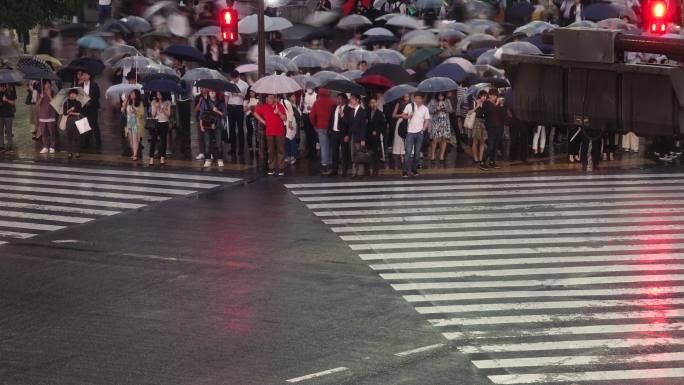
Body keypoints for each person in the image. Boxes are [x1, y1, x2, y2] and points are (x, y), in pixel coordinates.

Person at [254, 94, 287, 176]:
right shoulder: (264, 106)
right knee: (270, 150)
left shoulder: (280, 106)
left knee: (281, 150)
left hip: (280, 131)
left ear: (275, 99)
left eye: (271, 98)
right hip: (269, 131)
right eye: (268, 98)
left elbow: (285, 118)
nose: (269, 99)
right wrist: (263, 121)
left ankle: (281, 168)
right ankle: (271, 167)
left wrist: (279, 112)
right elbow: (255, 113)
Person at [309, 88, 336, 175]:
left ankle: (324, 165)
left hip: (321, 127)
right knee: (331, 146)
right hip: (331, 127)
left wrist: (315, 125)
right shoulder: (333, 102)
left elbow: (312, 116)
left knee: (324, 146)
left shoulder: (316, 103)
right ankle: (331, 164)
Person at [402, 93, 430, 178]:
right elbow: (403, 115)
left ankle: (414, 170)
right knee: (408, 152)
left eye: (419, 98)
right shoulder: (409, 106)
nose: (417, 100)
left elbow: (427, 120)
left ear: (422, 99)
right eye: (416, 98)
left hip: (419, 133)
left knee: (417, 153)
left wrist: (423, 129)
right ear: (414, 99)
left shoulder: (425, 108)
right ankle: (405, 171)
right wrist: (408, 116)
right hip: (410, 132)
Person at [477, 89, 506, 170]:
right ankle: (482, 162)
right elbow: (487, 112)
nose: (494, 97)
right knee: (491, 145)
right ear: (489, 95)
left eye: (496, 95)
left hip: (499, 126)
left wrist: (501, 105)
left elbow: (502, 114)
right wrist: (496, 104)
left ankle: (492, 162)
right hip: (491, 126)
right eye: (493, 95)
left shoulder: (497, 104)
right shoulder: (486, 103)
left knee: (496, 145)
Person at [199, 90, 226, 167]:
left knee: (219, 142)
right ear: (208, 93)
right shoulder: (205, 102)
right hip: (207, 125)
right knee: (207, 143)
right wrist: (201, 125)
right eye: (210, 92)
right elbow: (201, 114)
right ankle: (208, 159)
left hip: (218, 125)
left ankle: (220, 159)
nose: (212, 93)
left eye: (214, 91)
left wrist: (217, 111)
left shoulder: (221, 102)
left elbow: (224, 114)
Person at [226, 70, 249, 156]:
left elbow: (247, 97)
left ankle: (241, 149)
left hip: (239, 107)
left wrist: (238, 94)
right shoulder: (230, 83)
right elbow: (226, 95)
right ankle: (232, 148)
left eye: (235, 78)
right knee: (231, 128)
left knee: (240, 128)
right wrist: (226, 107)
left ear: (238, 76)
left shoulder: (244, 84)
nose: (234, 80)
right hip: (230, 106)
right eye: (233, 78)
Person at [329, 93, 352, 177]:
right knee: (334, 152)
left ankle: (344, 171)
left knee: (344, 152)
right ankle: (334, 170)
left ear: (345, 100)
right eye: (337, 98)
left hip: (343, 134)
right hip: (334, 132)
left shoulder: (348, 110)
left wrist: (342, 114)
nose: (338, 100)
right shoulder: (334, 107)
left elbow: (349, 123)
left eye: (340, 99)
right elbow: (331, 119)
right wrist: (330, 130)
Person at [78, 70, 101, 150]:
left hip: (92, 108)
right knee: (83, 125)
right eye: (82, 75)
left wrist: (90, 101)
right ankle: (85, 142)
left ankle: (98, 142)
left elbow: (97, 96)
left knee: (94, 124)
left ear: (89, 76)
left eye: (85, 75)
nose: (83, 76)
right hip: (83, 108)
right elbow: (78, 96)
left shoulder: (94, 85)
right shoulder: (80, 86)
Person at [347, 94, 368, 178]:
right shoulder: (352, 111)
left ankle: (360, 172)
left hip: (359, 136)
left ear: (357, 100)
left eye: (352, 99)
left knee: (359, 154)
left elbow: (363, 126)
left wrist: (363, 139)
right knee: (353, 154)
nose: (351, 100)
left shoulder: (362, 111)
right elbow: (350, 125)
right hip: (352, 135)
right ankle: (354, 172)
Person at [427, 93, 452, 161]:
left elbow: (451, 110)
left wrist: (445, 109)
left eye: (442, 95)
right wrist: (436, 109)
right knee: (435, 139)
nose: (441, 97)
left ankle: (441, 155)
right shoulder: (433, 101)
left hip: (445, 122)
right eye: (439, 95)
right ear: (437, 95)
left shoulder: (447, 101)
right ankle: (432, 155)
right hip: (436, 122)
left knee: (444, 139)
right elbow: (428, 110)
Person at [122, 90, 145, 161]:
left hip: (136, 123)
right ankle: (133, 152)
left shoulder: (140, 103)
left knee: (135, 139)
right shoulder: (128, 102)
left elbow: (142, 114)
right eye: (131, 93)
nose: (131, 95)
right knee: (130, 139)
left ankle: (135, 154)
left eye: (133, 94)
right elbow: (122, 110)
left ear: (136, 95)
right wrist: (125, 100)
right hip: (129, 123)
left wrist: (135, 111)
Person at [150, 92, 172, 165]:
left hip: (164, 122)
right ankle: (151, 158)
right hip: (156, 122)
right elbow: (153, 115)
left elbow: (169, 114)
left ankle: (162, 158)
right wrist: (156, 107)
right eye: (157, 93)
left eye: (160, 93)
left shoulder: (167, 102)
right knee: (153, 140)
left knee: (163, 140)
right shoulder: (154, 102)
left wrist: (163, 109)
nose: (158, 94)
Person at [367, 97, 386, 176]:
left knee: (376, 154)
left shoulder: (380, 113)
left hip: (376, 136)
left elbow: (383, 125)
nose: (373, 104)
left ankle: (376, 170)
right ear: (369, 104)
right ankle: (368, 170)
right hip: (368, 136)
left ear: (377, 103)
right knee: (368, 153)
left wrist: (377, 131)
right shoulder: (367, 112)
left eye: (374, 102)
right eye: (371, 102)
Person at [62, 89, 83, 159]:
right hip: (69, 120)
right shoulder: (66, 103)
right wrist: (70, 110)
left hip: (77, 119)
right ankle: (69, 153)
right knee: (69, 137)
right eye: (71, 94)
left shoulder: (78, 103)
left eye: (74, 94)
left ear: (76, 95)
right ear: (69, 95)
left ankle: (77, 152)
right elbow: (64, 113)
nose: (73, 95)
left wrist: (72, 112)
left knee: (77, 137)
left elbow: (80, 113)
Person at [37, 81, 57, 154]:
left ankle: (52, 147)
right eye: (46, 84)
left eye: (48, 84)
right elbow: (37, 104)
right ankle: (45, 147)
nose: (47, 85)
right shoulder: (40, 93)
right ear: (43, 85)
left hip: (51, 115)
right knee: (44, 133)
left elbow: (55, 103)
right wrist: (41, 98)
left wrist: (49, 95)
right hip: (42, 116)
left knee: (52, 132)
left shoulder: (53, 92)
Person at [392, 94, 411, 164]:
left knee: (408, 139)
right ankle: (401, 156)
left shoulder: (411, 104)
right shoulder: (399, 104)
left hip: (409, 122)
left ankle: (406, 155)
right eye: (405, 97)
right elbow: (393, 115)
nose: (406, 98)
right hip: (400, 122)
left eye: (408, 97)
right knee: (399, 139)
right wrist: (401, 115)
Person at [470, 90, 488, 164]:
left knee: (482, 141)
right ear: (480, 96)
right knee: (475, 140)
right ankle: (475, 158)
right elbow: (469, 112)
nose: (484, 97)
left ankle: (480, 158)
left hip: (484, 122)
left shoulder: (486, 104)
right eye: (483, 96)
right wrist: (477, 106)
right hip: (476, 122)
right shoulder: (474, 102)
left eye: (485, 96)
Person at [283, 93, 301, 165]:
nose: (295, 98)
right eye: (293, 96)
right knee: (287, 140)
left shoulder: (294, 104)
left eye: (294, 96)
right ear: (289, 98)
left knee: (292, 139)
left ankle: (293, 156)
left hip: (292, 124)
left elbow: (298, 114)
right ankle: (288, 155)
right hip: (287, 123)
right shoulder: (288, 103)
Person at [301, 87, 318, 159]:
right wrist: (302, 105)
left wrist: (312, 108)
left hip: (313, 115)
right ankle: (309, 152)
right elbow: (301, 107)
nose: (309, 89)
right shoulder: (304, 95)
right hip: (305, 115)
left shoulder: (316, 95)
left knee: (313, 134)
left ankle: (314, 152)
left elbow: (317, 107)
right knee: (308, 134)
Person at [0, 83, 16, 152]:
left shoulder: (11, 91)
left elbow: (13, 103)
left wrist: (6, 100)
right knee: (0, 131)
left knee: (9, 130)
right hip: (0, 114)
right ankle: (1, 145)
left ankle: (9, 145)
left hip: (8, 114)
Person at [194, 88, 210, 160]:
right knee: (200, 136)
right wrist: (200, 102)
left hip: (208, 119)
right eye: (200, 88)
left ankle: (210, 153)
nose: (201, 89)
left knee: (209, 136)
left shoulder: (210, 96)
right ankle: (201, 153)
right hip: (199, 118)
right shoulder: (198, 97)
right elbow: (196, 109)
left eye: (202, 88)